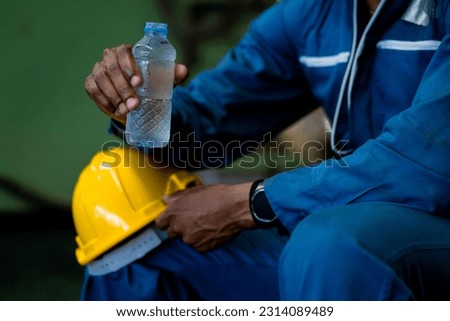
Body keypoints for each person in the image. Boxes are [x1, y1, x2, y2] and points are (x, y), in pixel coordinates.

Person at [82, 0, 450, 300]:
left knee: (327, 243)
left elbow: (424, 163)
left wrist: (253, 202)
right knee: (131, 236)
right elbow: (209, 123)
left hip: (429, 233)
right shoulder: (311, 12)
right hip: (354, 225)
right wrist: (140, 106)